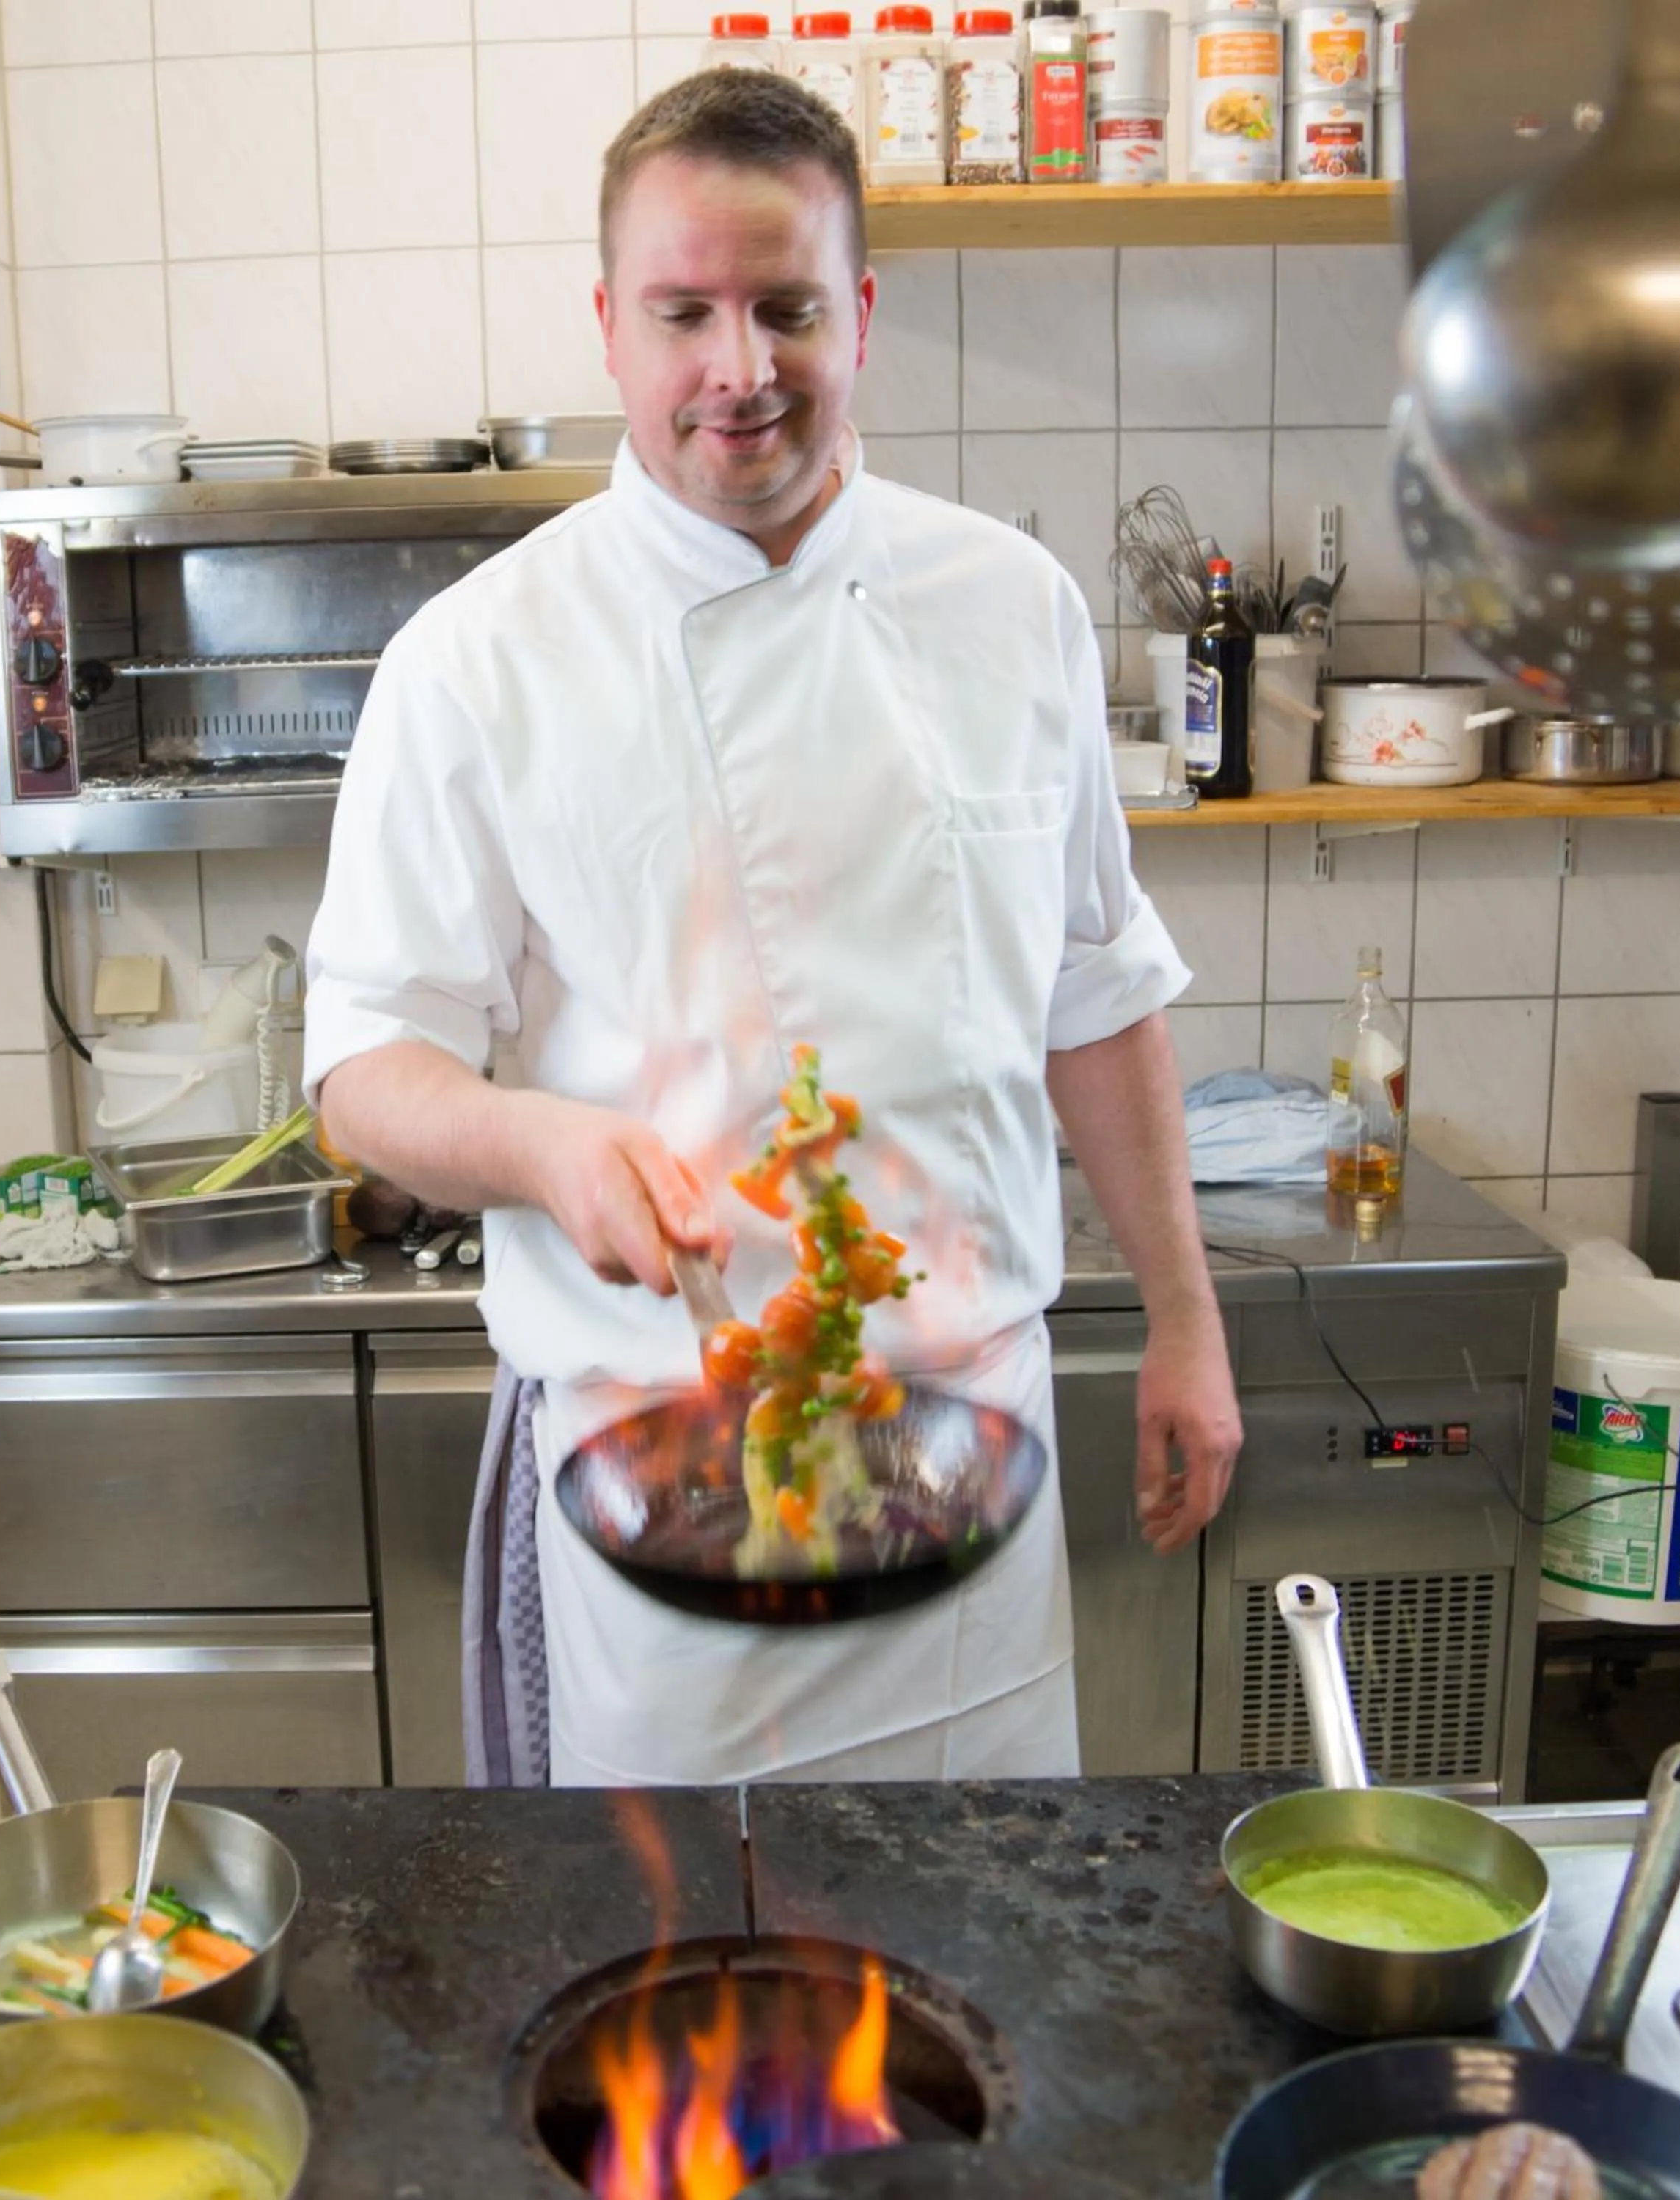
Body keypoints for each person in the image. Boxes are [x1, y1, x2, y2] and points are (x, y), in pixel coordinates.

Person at [304, 68, 1241, 1787]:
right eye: (686, 314)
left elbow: (1095, 993)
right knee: (699, 1997)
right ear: (610, 326)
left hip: (977, 1461)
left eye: (787, 308)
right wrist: (538, 1143)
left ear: (861, 315)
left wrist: (1185, 1320)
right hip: (670, 1483)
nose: (741, 369)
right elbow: (364, 1061)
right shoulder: (482, 657)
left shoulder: (1009, 608)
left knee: (984, 1977)